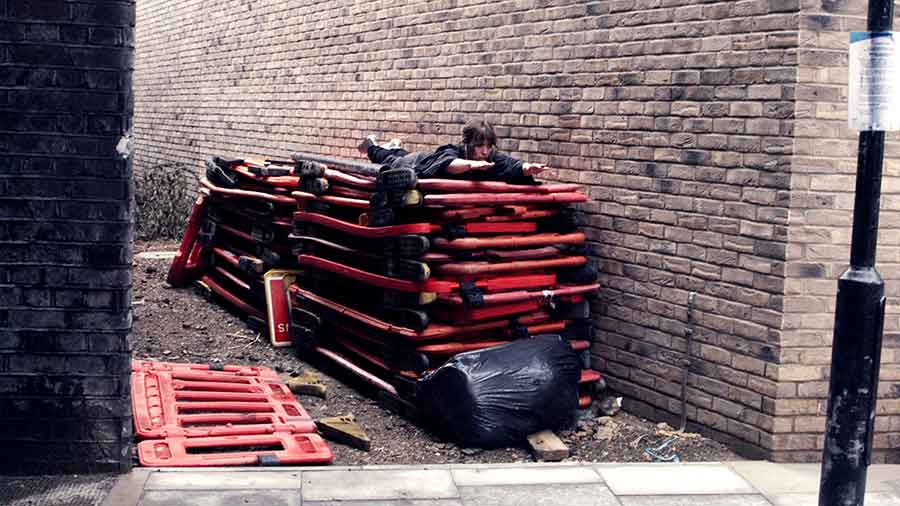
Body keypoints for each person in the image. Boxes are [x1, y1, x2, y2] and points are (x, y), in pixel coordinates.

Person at [358, 119, 548, 184]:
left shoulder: (490, 156)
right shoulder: (453, 151)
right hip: (416, 163)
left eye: (488, 146)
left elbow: (511, 165)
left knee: (397, 153)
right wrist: (473, 165)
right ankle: (371, 146)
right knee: (392, 160)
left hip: (418, 158)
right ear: (468, 143)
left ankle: (395, 147)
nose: (485, 151)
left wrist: (528, 167)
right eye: (480, 146)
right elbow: (449, 165)